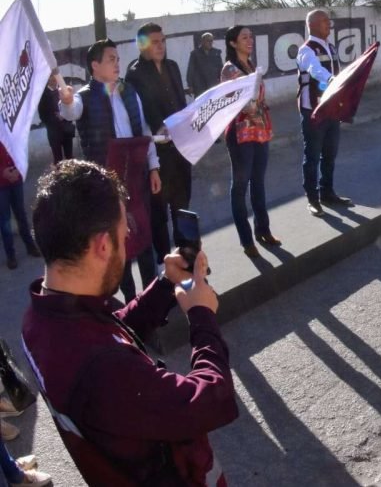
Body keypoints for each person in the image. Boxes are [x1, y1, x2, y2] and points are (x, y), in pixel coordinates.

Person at [22, 160, 237, 485]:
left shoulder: (41, 317)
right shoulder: (104, 370)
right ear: (103, 246)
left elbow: (109, 331)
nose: (128, 241)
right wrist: (202, 315)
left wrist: (165, 283)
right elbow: (208, 399)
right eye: (124, 235)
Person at [58, 39, 161, 301]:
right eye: (111, 59)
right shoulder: (84, 97)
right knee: (118, 245)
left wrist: (154, 167)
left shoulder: (129, 91)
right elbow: (71, 111)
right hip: (106, 185)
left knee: (145, 238)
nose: (117, 63)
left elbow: (144, 130)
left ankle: (154, 298)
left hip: (136, 178)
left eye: (117, 58)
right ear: (95, 65)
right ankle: (131, 302)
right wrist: (66, 99)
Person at [126, 22, 193, 268]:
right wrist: (158, 128)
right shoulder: (134, 74)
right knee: (159, 213)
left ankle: (187, 257)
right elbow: (141, 112)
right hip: (157, 153)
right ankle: (166, 263)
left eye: (163, 40)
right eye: (155, 42)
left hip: (180, 148)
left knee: (182, 206)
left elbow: (180, 102)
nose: (161, 46)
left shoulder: (172, 66)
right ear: (142, 45)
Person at [222, 25, 281, 258]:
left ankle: (263, 230)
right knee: (240, 187)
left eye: (251, 37)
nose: (250, 40)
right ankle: (247, 241)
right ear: (233, 43)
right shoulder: (229, 70)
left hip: (259, 132)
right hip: (240, 136)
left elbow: (256, 101)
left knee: (258, 183)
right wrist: (255, 101)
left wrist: (257, 103)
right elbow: (243, 105)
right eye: (244, 37)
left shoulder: (251, 66)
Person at [297, 9, 353, 217]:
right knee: (312, 156)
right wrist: (332, 80)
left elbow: (337, 69)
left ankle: (327, 192)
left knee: (329, 154)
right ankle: (312, 199)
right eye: (324, 21)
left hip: (331, 109)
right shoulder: (306, 50)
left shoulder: (330, 46)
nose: (329, 25)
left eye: (329, 21)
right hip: (313, 111)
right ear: (312, 25)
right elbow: (314, 70)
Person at [0, 144, 41, 270]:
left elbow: (20, 151)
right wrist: (2, 172)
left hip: (16, 179)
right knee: (4, 219)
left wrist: (19, 168)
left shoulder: (12, 132)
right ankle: (10, 255)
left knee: (21, 214)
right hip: (1, 185)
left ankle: (30, 246)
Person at [37, 73, 75, 164]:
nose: (53, 78)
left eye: (55, 76)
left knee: (70, 158)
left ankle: (73, 178)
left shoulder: (64, 90)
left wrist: (64, 115)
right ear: (47, 78)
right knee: (58, 160)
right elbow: (43, 116)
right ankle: (60, 178)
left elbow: (72, 107)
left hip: (67, 130)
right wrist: (55, 118)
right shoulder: (42, 95)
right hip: (54, 133)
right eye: (50, 76)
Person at [186, 32, 222, 98]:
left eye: (211, 41)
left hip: (213, 84)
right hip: (200, 86)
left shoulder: (216, 53)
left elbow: (220, 68)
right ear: (202, 41)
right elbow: (190, 69)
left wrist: (222, 81)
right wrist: (190, 85)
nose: (210, 42)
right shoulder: (195, 54)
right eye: (208, 41)